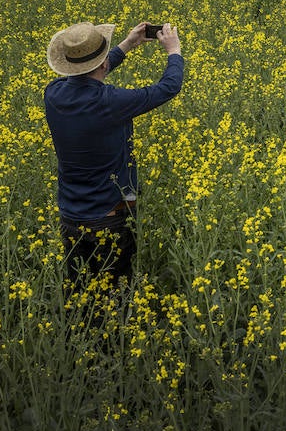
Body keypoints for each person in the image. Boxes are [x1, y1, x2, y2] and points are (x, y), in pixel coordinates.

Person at [44, 20, 184, 301]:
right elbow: (168, 88)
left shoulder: (53, 94)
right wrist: (174, 51)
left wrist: (127, 45)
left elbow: (87, 77)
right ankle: (111, 345)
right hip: (110, 218)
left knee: (81, 296)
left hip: (70, 216)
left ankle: (79, 343)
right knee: (115, 298)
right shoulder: (111, 102)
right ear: (103, 64)